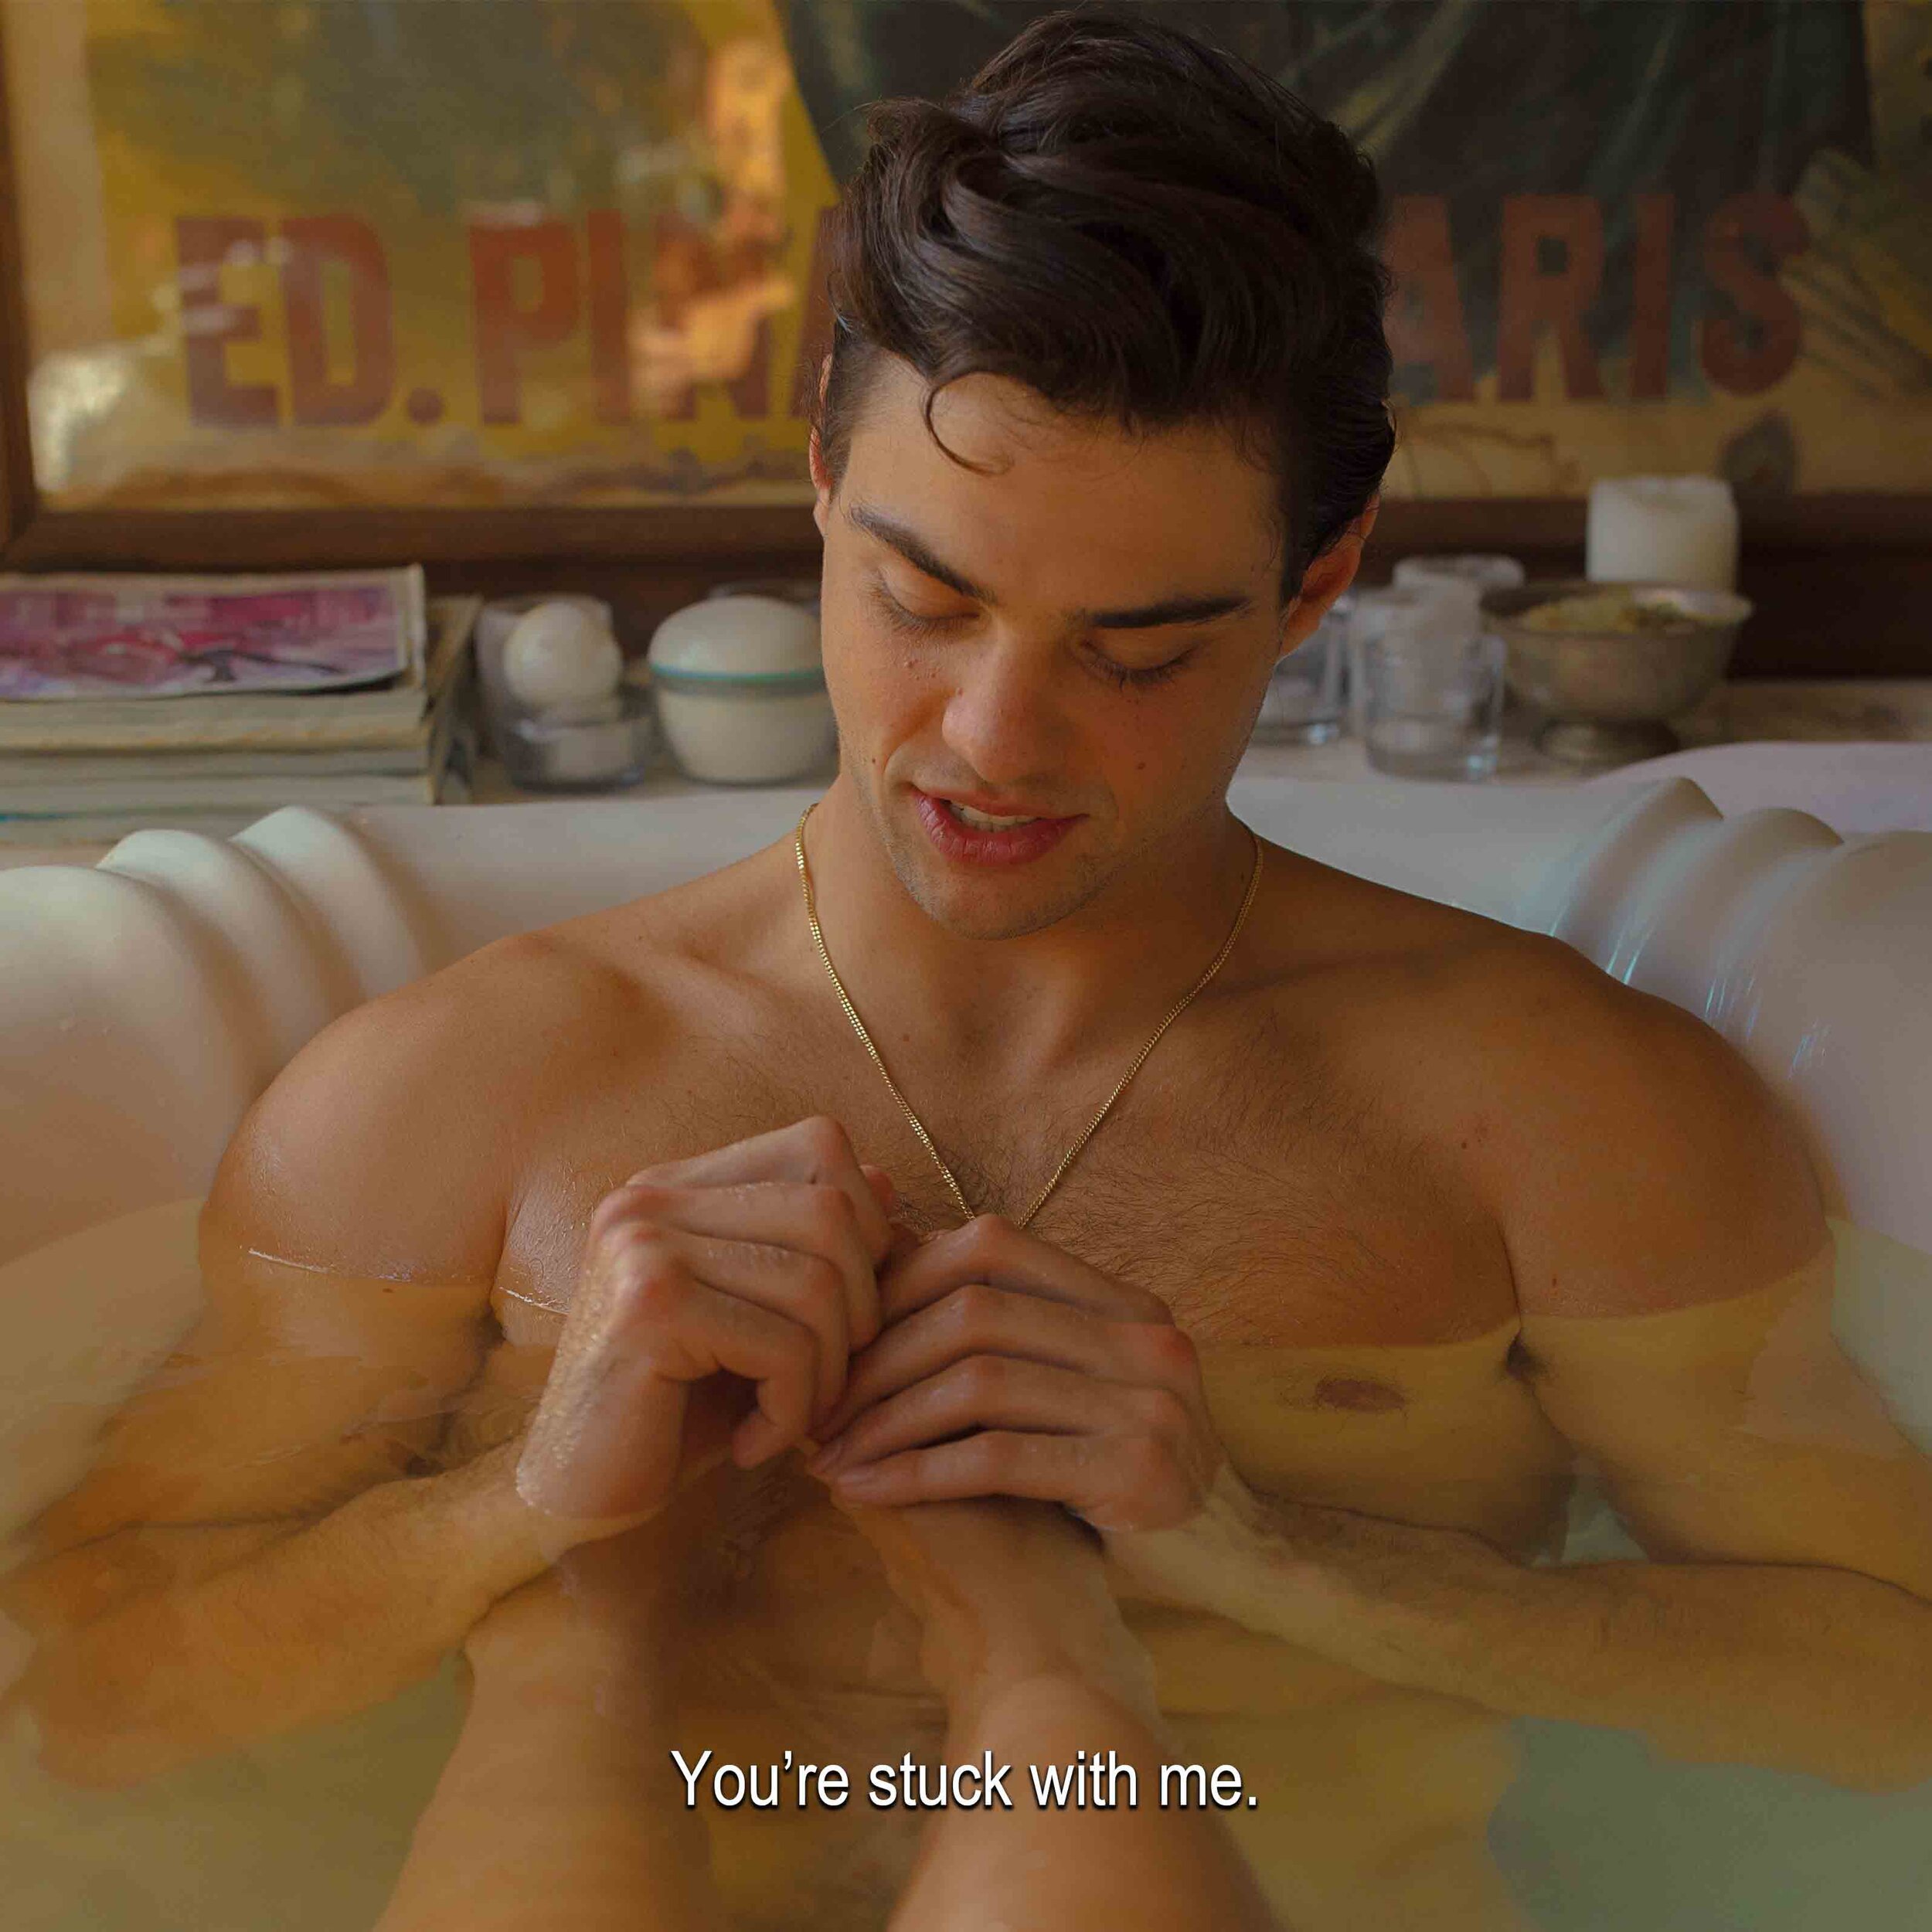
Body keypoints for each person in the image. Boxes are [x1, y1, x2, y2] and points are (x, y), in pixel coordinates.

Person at [9, 10, 1932, 1930]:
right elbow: (86, 1697)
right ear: (820, 478)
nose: (994, 740)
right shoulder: (458, 1092)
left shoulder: (1549, 1111)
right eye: (922, 600)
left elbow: (1887, 1688)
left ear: (1319, 576)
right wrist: (513, 1503)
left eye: (1136, 650)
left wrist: (1272, 1552)